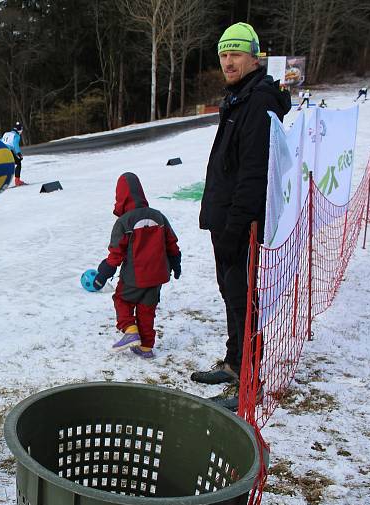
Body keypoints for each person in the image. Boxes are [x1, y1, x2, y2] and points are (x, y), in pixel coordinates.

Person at [193, 22, 291, 409]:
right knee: (231, 294)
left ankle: (249, 383)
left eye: (235, 54)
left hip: (240, 223)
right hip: (225, 219)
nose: (228, 62)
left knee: (242, 298)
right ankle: (235, 364)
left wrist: (237, 225)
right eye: (223, 55)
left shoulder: (258, 100)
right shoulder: (239, 96)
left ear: (254, 57)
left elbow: (254, 170)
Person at [92, 172, 181, 359]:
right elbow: (171, 243)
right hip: (158, 275)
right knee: (146, 309)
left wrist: (103, 273)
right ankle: (146, 347)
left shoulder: (124, 222)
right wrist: (176, 263)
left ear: (120, 196)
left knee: (121, 299)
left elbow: (116, 253)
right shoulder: (158, 217)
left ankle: (130, 329)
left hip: (134, 275)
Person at [1, 122, 26, 186]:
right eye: (21, 130)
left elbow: (0, 141)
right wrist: (19, 154)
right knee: (18, 163)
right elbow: (15, 145)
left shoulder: (6, 133)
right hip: (8, 151)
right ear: (19, 130)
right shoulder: (16, 136)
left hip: (1, 151)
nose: (22, 131)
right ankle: (17, 181)